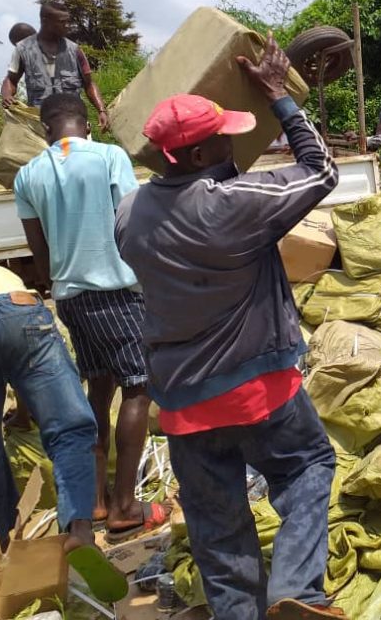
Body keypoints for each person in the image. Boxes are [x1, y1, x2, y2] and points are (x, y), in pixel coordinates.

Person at [115, 34, 343, 620]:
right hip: (257, 387)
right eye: (222, 138)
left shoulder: (129, 216)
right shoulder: (231, 205)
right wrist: (279, 99)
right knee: (307, 467)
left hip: (183, 403)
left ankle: (240, 612)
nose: (233, 141)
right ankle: (296, 594)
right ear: (194, 156)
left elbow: (191, 192)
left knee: (217, 527)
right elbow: (321, 170)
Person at [13, 91, 162, 542]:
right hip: (117, 290)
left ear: (45, 130)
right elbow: (133, 220)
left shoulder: (28, 174)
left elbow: (37, 252)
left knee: (99, 388)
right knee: (138, 389)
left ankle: (95, 499)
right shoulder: (108, 156)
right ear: (86, 123)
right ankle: (123, 505)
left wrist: (59, 280)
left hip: (71, 298)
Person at [0, 263, 128, 604]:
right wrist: (28, 410)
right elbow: (15, 357)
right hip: (20, 311)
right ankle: (79, 530)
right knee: (71, 432)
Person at [1, 2, 108, 130]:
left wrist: (101, 110)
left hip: (74, 124)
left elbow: (89, 84)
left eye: (67, 21)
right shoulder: (23, 50)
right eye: (62, 22)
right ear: (45, 21)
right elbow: (11, 80)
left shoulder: (74, 50)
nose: (67, 26)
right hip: (40, 126)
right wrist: (7, 95)